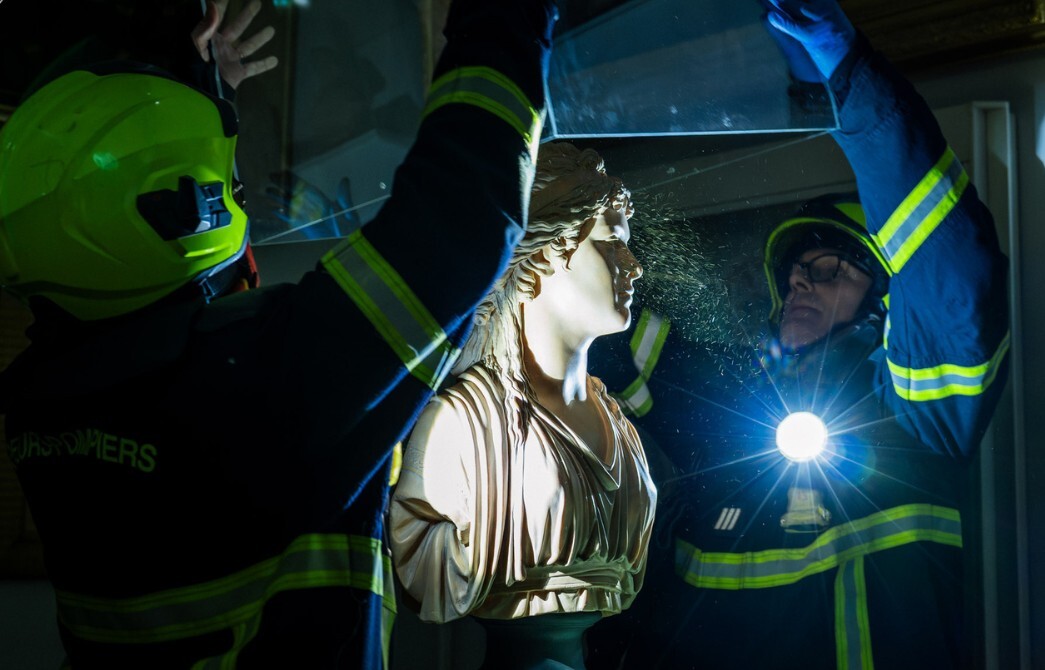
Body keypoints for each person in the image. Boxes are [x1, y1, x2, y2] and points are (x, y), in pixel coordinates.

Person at [0, 0, 557, 667]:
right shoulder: (269, 380)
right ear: (186, 213)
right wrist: (506, 18)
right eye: (226, 187)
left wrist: (194, 109)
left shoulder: (40, 397)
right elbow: (462, 213)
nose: (236, 197)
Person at [584, 0, 1010, 668]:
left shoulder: (910, 421)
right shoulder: (726, 407)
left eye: (831, 269)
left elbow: (949, 270)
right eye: (796, 273)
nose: (803, 283)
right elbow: (595, 331)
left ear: (884, 305)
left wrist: (851, 78)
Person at [388, 141, 657, 670]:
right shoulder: (463, 421)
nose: (635, 266)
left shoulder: (618, 422)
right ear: (543, 252)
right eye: (610, 245)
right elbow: (423, 560)